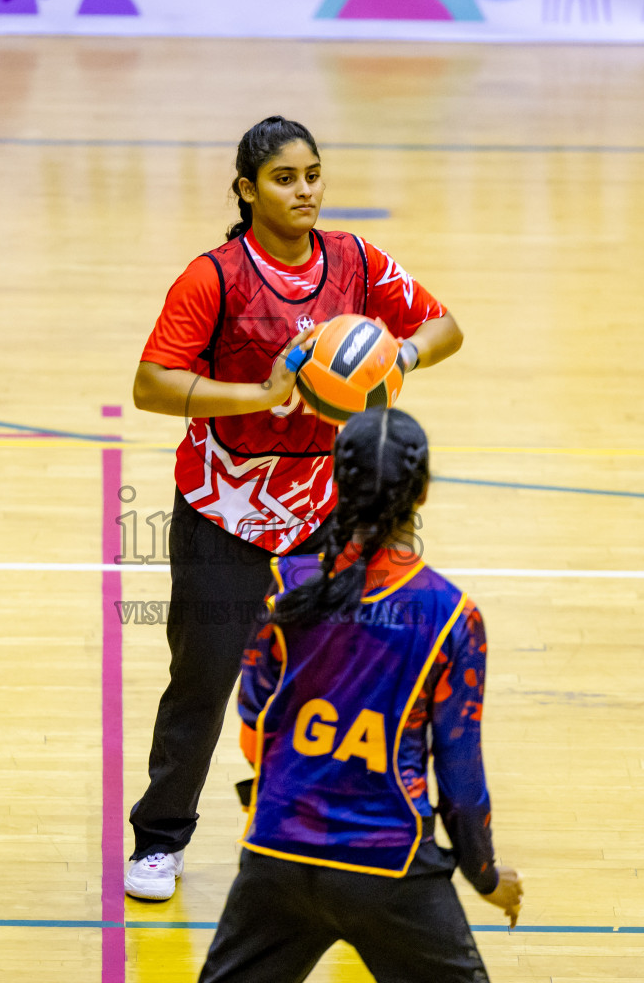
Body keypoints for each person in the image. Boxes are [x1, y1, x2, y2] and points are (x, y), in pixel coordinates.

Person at [127, 116, 464, 899]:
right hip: (224, 506)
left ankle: (343, 827)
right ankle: (160, 840)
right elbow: (151, 384)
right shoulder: (213, 276)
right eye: (284, 178)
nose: (304, 189)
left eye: (312, 174)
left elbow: (443, 326)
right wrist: (261, 394)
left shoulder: (352, 258)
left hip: (322, 508)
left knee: (341, 673)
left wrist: (397, 355)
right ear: (247, 191)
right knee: (204, 680)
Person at [197, 408, 520, 983]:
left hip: (277, 852)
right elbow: (462, 781)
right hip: (389, 863)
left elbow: (253, 727)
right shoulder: (451, 616)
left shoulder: (285, 585)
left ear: (337, 483)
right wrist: (486, 875)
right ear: (420, 493)